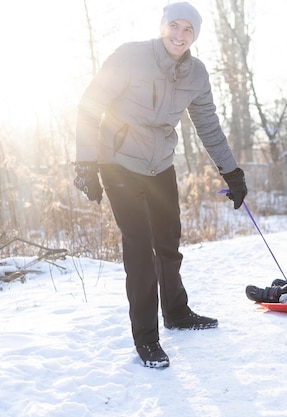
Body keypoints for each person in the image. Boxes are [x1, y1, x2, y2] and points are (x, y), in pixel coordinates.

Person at [73, 2, 247, 369]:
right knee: (139, 249)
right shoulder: (130, 57)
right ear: (162, 26)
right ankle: (147, 338)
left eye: (189, 31)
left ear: (195, 36)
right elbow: (90, 104)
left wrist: (231, 173)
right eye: (175, 26)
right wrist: (86, 163)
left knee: (168, 242)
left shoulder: (196, 75)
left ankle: (177, 313)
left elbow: (208, 126)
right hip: (118, 162)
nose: (180, 35)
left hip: (160, 165)